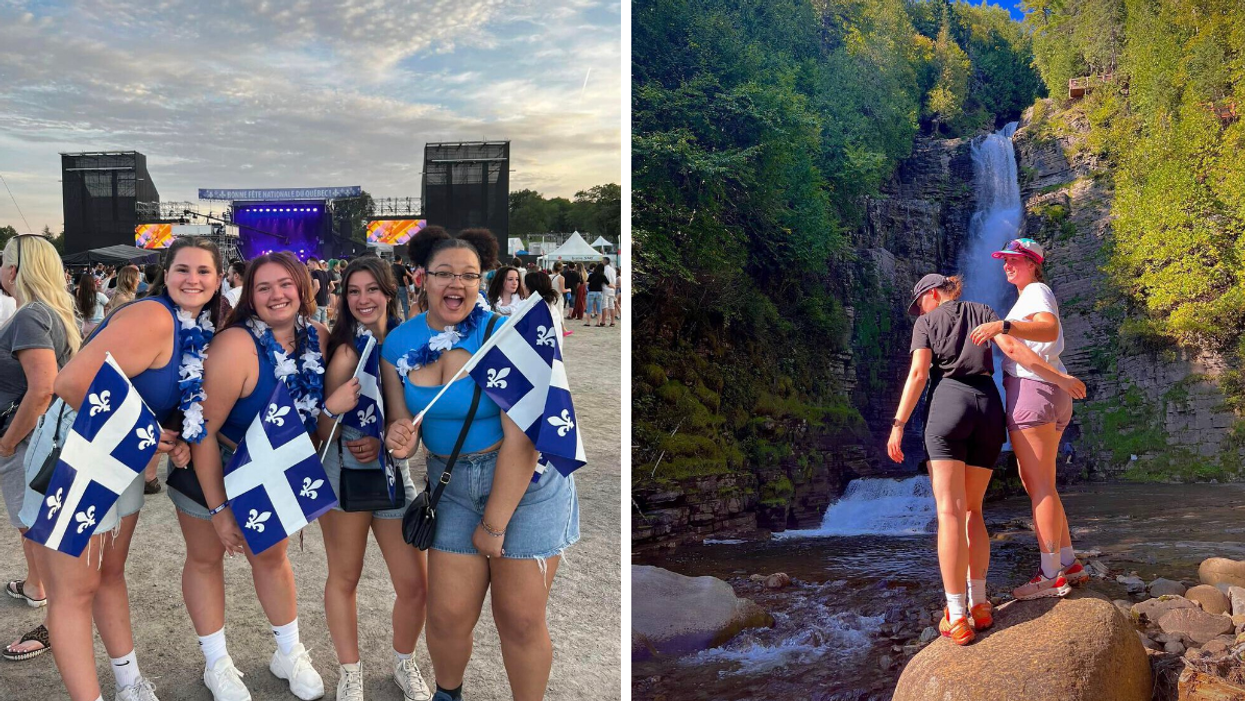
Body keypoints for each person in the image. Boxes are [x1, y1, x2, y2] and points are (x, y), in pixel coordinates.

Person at [382, 227, 579, 701]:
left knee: (520, 617)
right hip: (450, 484)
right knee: (447, 616)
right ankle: (448, 695)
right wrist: (400, 440)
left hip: (523, 484)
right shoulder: (397, 345)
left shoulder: (506, 337)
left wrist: (493, 526)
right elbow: (402, 428)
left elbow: (526, 439)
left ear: (482, 280)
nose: (457, 284)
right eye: (444, 273)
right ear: (421, 278)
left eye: (469, 275)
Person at [23, 238, 222, 700]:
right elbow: (71, 383)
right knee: (75, 589)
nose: (192, 279)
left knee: (110, 574)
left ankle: (129, 681)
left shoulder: (193, 327)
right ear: (164, 274)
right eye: (182, 270)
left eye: (204, 272)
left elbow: (151, 395)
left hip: (123, 457)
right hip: (76, 453)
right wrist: (151, 436)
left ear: (217, 281)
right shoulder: (153, 316)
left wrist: (171, 436)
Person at [171, 252, 340, 701]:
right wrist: (220, 509)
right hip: (215, 467)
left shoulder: (319, 337)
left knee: (270, 558)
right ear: (250, 296)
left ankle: (288, 652)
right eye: (263, 287)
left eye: (285, 284)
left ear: (304, 287)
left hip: (273, 471)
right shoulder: (236, 346)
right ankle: (217, 664)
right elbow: (201, 432)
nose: (276, 295)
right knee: (207, 558)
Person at [887, 273, 1085, 645]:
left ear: (932, 295)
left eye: (919, 303)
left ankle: (957, 614)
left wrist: (898, 424)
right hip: (989, 408)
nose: (918, 310)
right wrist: (1059, 378)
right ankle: (979, 603)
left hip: (949, 403)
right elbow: (1013, 350)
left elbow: (918, 374)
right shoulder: (984, 311)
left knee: (949, 512)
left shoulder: (927, 322)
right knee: (973, 511)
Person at [317, 257, 429, 701]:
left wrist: (393, 442)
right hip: (344, 476)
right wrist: (337, 413)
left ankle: (405, 662)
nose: (363, 299)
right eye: (353, 291)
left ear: (389, 292)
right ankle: (350, 672)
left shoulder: (406, 346)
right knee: (345, 577)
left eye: (371, 290)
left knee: (415, 585)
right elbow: (320, 433)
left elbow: (411, 430)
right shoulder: (345, 350)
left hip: (393, 476)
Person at [969, 238, 1088, 599]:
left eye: (1015, 261)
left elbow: (1048, 329)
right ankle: (1069, 562)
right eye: (1005, 260)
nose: (1007, 266)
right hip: (1051, 391)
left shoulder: (1036, 290)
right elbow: (1033, 345)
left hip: (1033, 393)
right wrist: (1062, 380)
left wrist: (1003, 326)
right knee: (1043, 484)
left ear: (1034, 264)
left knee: (1040, 487)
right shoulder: (1029, 296)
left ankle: (1050, 574)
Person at [0, 235, 80, 667]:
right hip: (42, 439)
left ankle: (53, 623)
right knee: (33, 525)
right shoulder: (52, 311)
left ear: (14, 270)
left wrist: (8, 441)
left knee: (37, 528)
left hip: (28, 441)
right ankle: (35, 588)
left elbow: (42, 389)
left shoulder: (31, 314)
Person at [310, 258, 331, 325]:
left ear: (313, 263)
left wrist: (310, 298)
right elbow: (332, 287)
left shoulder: (314, 273)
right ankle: (329, 335)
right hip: (324, 302)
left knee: (316, 325)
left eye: (308, 264)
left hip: (316, 302)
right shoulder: (325, 273)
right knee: (324, 324)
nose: (307, 266)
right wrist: (325, 293)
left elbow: (317, 286)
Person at [392, 255, 412, 319]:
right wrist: (408, 288)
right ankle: (406, 320)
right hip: (402, 287)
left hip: (394, 287)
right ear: (400, 260)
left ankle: (396, 319)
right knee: (405, 304)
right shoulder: (402, 267)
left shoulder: (391, 267)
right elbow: (405, 279)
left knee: (395, 305)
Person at [600, 256, 616, 327]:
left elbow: (603, 280)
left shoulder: (604, 270)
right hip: (612, 288)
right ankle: (613, 321)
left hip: (605, 288)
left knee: (605, 305)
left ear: (604, 262)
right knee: (612, 306)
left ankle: (603, 321)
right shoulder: (613, 270)